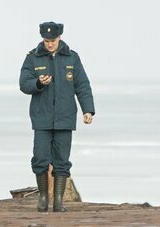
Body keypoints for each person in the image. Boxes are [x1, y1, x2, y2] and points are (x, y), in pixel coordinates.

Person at [19, 21, 95, 212]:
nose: (50, 44)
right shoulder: (33, 58)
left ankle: (58, 202)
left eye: (52, 40)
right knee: (40, 158)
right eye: (46, 40)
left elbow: (82, 86)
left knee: (62, 161)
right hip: (41, 119)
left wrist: (88, 110)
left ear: (59, 37)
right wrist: (38, 83)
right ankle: (43, 198)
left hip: (65, 118)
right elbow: (23, 83)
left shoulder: (72, 58)